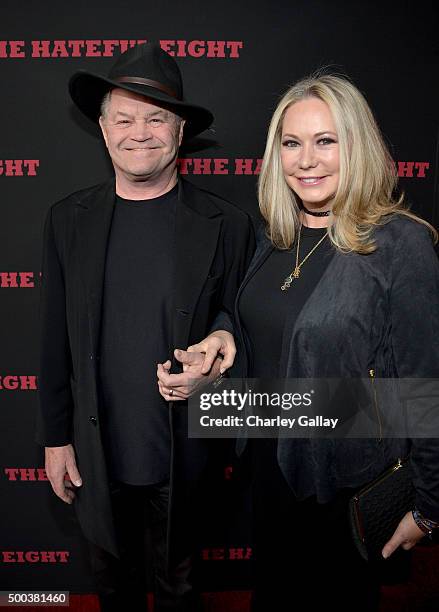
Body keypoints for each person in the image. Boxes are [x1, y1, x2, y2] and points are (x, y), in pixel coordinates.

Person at [162, 73, 439, 610]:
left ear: (357, 146)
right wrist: (220, 337)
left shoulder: (401, 244)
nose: (306, 160)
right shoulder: (278, 234)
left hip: (341, 488)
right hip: (269, 471)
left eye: (326, 141)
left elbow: (425, 389)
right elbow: (258, 318)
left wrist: (429, 507)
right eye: (292, 143)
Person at [35, 42, 254, 612]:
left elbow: (243, 324)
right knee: (114, 591)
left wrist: (217, 361)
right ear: (103, 130)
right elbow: (54, 338)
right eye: (124, 118)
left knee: (182, 591)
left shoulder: (227, 224)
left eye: (156, 117)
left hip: (184, 454)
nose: (140, 132)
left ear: (180, 132)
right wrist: (56, 438)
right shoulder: (67, 220)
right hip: (97, 450)